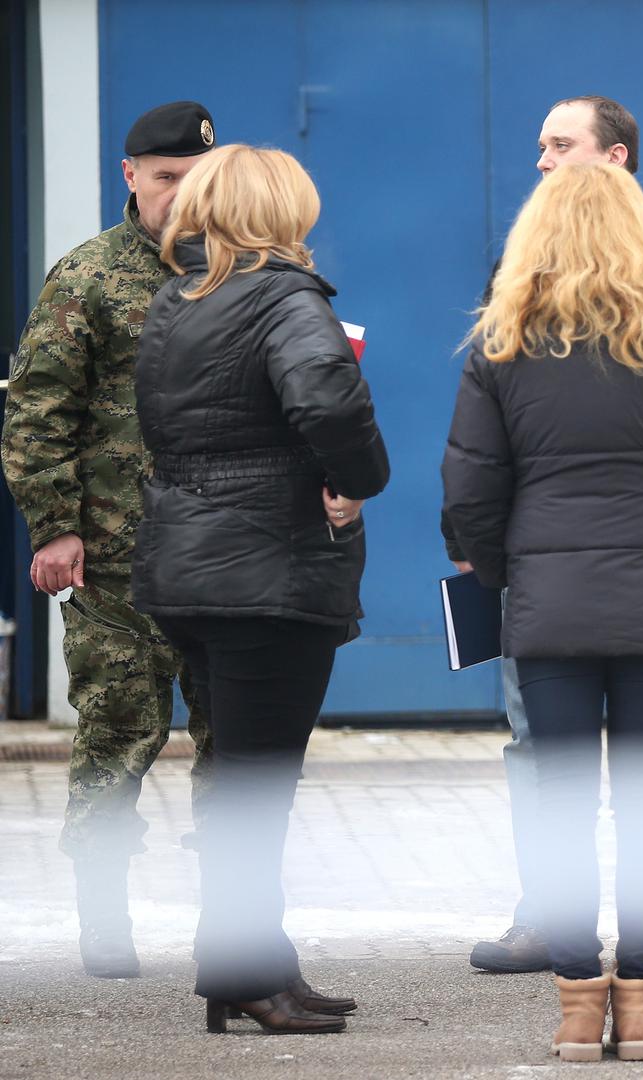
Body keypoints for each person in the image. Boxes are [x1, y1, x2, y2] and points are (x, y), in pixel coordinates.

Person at [443, 163, 643, 1063]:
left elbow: (471, 480)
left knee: (562, 796)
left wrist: (499, 570)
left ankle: (579, 1006)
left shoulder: (504, 338)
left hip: (547, 601)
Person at [130, 144, 390, 1033]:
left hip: (189, 562)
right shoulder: (284, 297)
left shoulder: (177, 299)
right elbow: (327, 399)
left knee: (241, 775)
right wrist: (358, 477)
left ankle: (256, 959)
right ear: (282, 210)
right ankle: (242, 969)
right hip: (266, 565)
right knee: (255, 784)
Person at [2, 100, 218, 979]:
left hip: (226, 552)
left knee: (235, 743)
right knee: (117, 736)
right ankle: (102, 912)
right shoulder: (87, 277)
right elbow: (36, 411)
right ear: (131, 176)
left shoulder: (245, 270)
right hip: (116, 560)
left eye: (198, 179)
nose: (183, 195)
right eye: (167, 178)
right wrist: (54, 525)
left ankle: (233, 918)